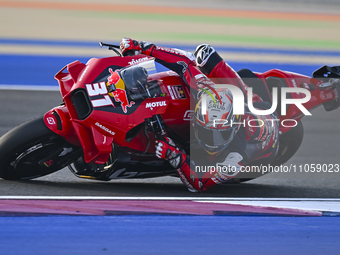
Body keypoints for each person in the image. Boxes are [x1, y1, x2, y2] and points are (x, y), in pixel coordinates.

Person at [120, 38, 279, 192]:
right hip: (239, 101)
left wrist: (175, 157)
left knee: (198, 162)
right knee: (204, 54)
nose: (212, 140)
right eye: (207, 131)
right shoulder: (205, 88)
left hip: (264, 136)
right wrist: (144, 47)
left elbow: (198, 185)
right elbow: (184, 62)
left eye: (220, 134)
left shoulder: (235, 158)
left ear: (233, 128)